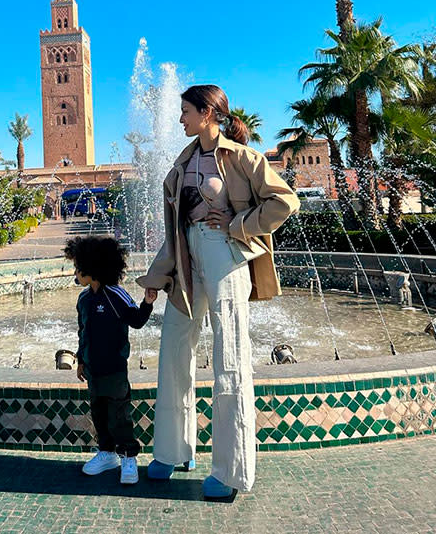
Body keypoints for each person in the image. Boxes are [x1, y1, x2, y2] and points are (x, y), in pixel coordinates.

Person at [137, 85, 299, 502]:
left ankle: (231, 471)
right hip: (187, 259)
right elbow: (176, 230)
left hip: (226, 253)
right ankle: (173, 452)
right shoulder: (183, 162)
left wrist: (239, 222)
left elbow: (286, 201)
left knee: (230, 359)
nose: (180, 119)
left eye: (186, 111)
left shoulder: (242, 157)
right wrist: (158, 275)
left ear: (208, 113)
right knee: (174, 349)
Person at [64, 235, 157, 486]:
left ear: (90, 268)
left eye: (77, 267)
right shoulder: (84, 298)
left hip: (115, 369)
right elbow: (82, 331)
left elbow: (136, 321)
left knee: (119, 414)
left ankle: (128, 456)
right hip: (93, 370)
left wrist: (147, 304)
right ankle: (106, 453)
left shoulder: (116, 296)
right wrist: (81, 360)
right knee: (99, 412)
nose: (75, 272)